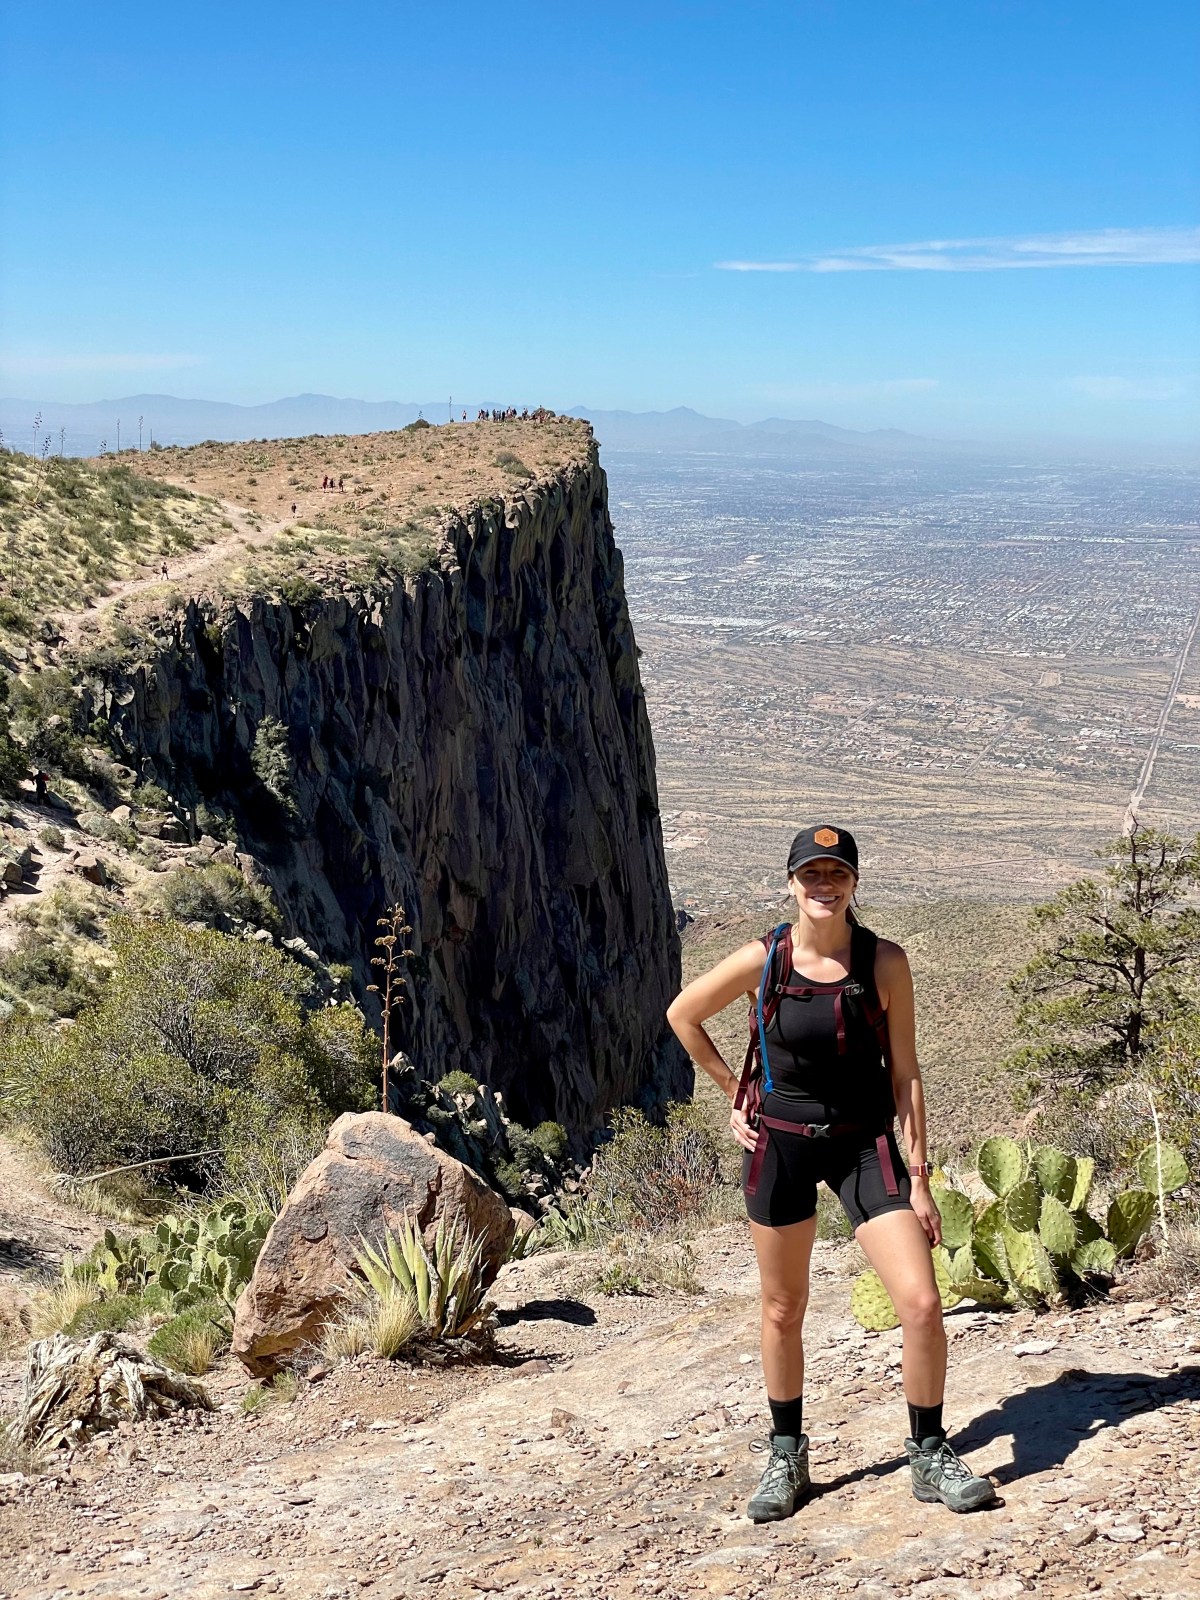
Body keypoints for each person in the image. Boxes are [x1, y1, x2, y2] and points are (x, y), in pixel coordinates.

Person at [666, 824, 995, 1522]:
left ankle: (929, 1453)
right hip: (780, 1143)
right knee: (783, 1308)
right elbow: (683, 1014)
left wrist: (921, 1175)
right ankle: (787, 1454)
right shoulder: (766, 958)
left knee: (923, 1304)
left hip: (863, 1145)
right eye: (811, 875)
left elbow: (905, 1074)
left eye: (835, 874)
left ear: (854, 884)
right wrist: (735, 1091)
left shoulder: (883, 961)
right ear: (791, 884)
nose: (823, 886)